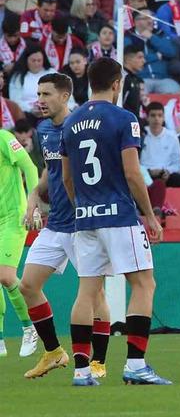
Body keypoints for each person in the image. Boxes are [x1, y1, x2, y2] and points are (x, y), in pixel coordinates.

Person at [61, 57, 167, 386]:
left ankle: (81, 372)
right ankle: (135, 365)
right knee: (144, 284)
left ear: (89, 82)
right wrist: (150, 215)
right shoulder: (124, 118)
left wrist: (83, 208)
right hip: (119, 217)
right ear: (117, 84)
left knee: (87, 291)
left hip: (85, 218)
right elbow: (133, 172)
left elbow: (67, 179)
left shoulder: (70, 121)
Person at [19, 73, 111, 379]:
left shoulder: (80, 127)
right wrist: (34, 194)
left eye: (46, 94)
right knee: (28, 286)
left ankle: (98, 361)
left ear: (65, 96)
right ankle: (54, 352)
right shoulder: (45, 130)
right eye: (39, 94)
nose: (40, 100)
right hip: (56, 223)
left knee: (95, 296)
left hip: (83, 225)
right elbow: (51, 170)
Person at [0, 101, 39, 359]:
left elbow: (30, 167)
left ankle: (29, 328)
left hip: (13, 216)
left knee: (4, 275)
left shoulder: (3, 138)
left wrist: (33, 207)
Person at [140, 101, 180, 215]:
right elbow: (136, 162)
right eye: (153, 116)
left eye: (159, 116)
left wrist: (168, 171)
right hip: (146, 175)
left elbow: (178, 165)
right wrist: (149, 171)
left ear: (163, 118)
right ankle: (154, 210)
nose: (156, 119)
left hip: (167, 174)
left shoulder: (172, 137)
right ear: (147, 118)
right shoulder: (141, 136)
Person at [8, 45, 51, 118]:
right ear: (26, 60)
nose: (36, 63)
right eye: (33, 60)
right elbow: (15, 101)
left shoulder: (52, 73)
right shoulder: (18, 77)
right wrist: (30, 109)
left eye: (39, 60)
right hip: (26, 114)